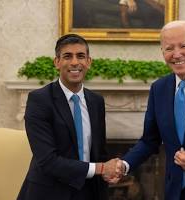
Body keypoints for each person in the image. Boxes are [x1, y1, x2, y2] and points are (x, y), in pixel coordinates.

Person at [110, 20, 185, 200]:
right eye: (169, 48)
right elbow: (149, 140)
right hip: (174, 192)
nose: (177, 54)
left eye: (183, 45)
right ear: (162, 52)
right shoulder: (159, 89)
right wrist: (124, 165)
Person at [17, 34, 122, 200]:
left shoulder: (96, 101)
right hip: (50, 192)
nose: (75, 62)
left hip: (90, 191)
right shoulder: (39, 100)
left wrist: (110, 173)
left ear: (89, 62)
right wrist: (102, 168)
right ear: (57, 62)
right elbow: (48, 161)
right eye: (67, 56)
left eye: (80, 56)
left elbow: (99, 152)